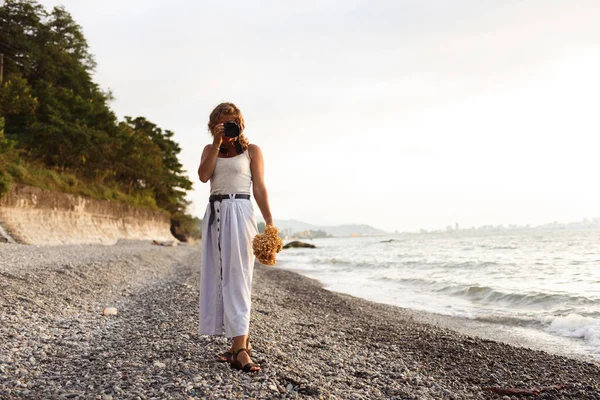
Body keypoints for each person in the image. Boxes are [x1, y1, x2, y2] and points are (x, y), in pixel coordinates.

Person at [197, 102, 273, 373]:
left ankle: (241, 348)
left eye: (233, 123)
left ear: (241, 125)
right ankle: (235, 346)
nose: (229, 128)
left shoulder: (252, 151)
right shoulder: (210, 150)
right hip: (216, 212)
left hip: (241, 211)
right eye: (222, 124)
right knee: (219, 276)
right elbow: (204, 176)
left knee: (239, 275)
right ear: (213, 126)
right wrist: (217, 142)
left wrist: (270, 223)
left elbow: (260, 188)